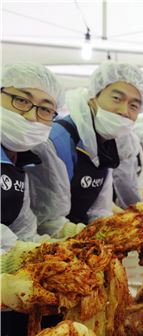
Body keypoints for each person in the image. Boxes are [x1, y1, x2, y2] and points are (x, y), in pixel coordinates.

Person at [27, 61, 143, 236]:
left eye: (134, 105)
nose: (124, 111)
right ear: (94, 96)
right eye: (116, 98)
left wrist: (111, 229)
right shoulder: (57, 141)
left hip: (81, 241)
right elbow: (47, 221)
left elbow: (100, 209)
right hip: (50, 247)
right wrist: (96, 236)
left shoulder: (107, 144)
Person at [1, 63, 64, 248]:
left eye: (45, 109)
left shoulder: (21, 160)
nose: (30, 116)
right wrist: (16, 253)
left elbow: (23, 228)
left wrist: (44, 248)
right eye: (21, 100)